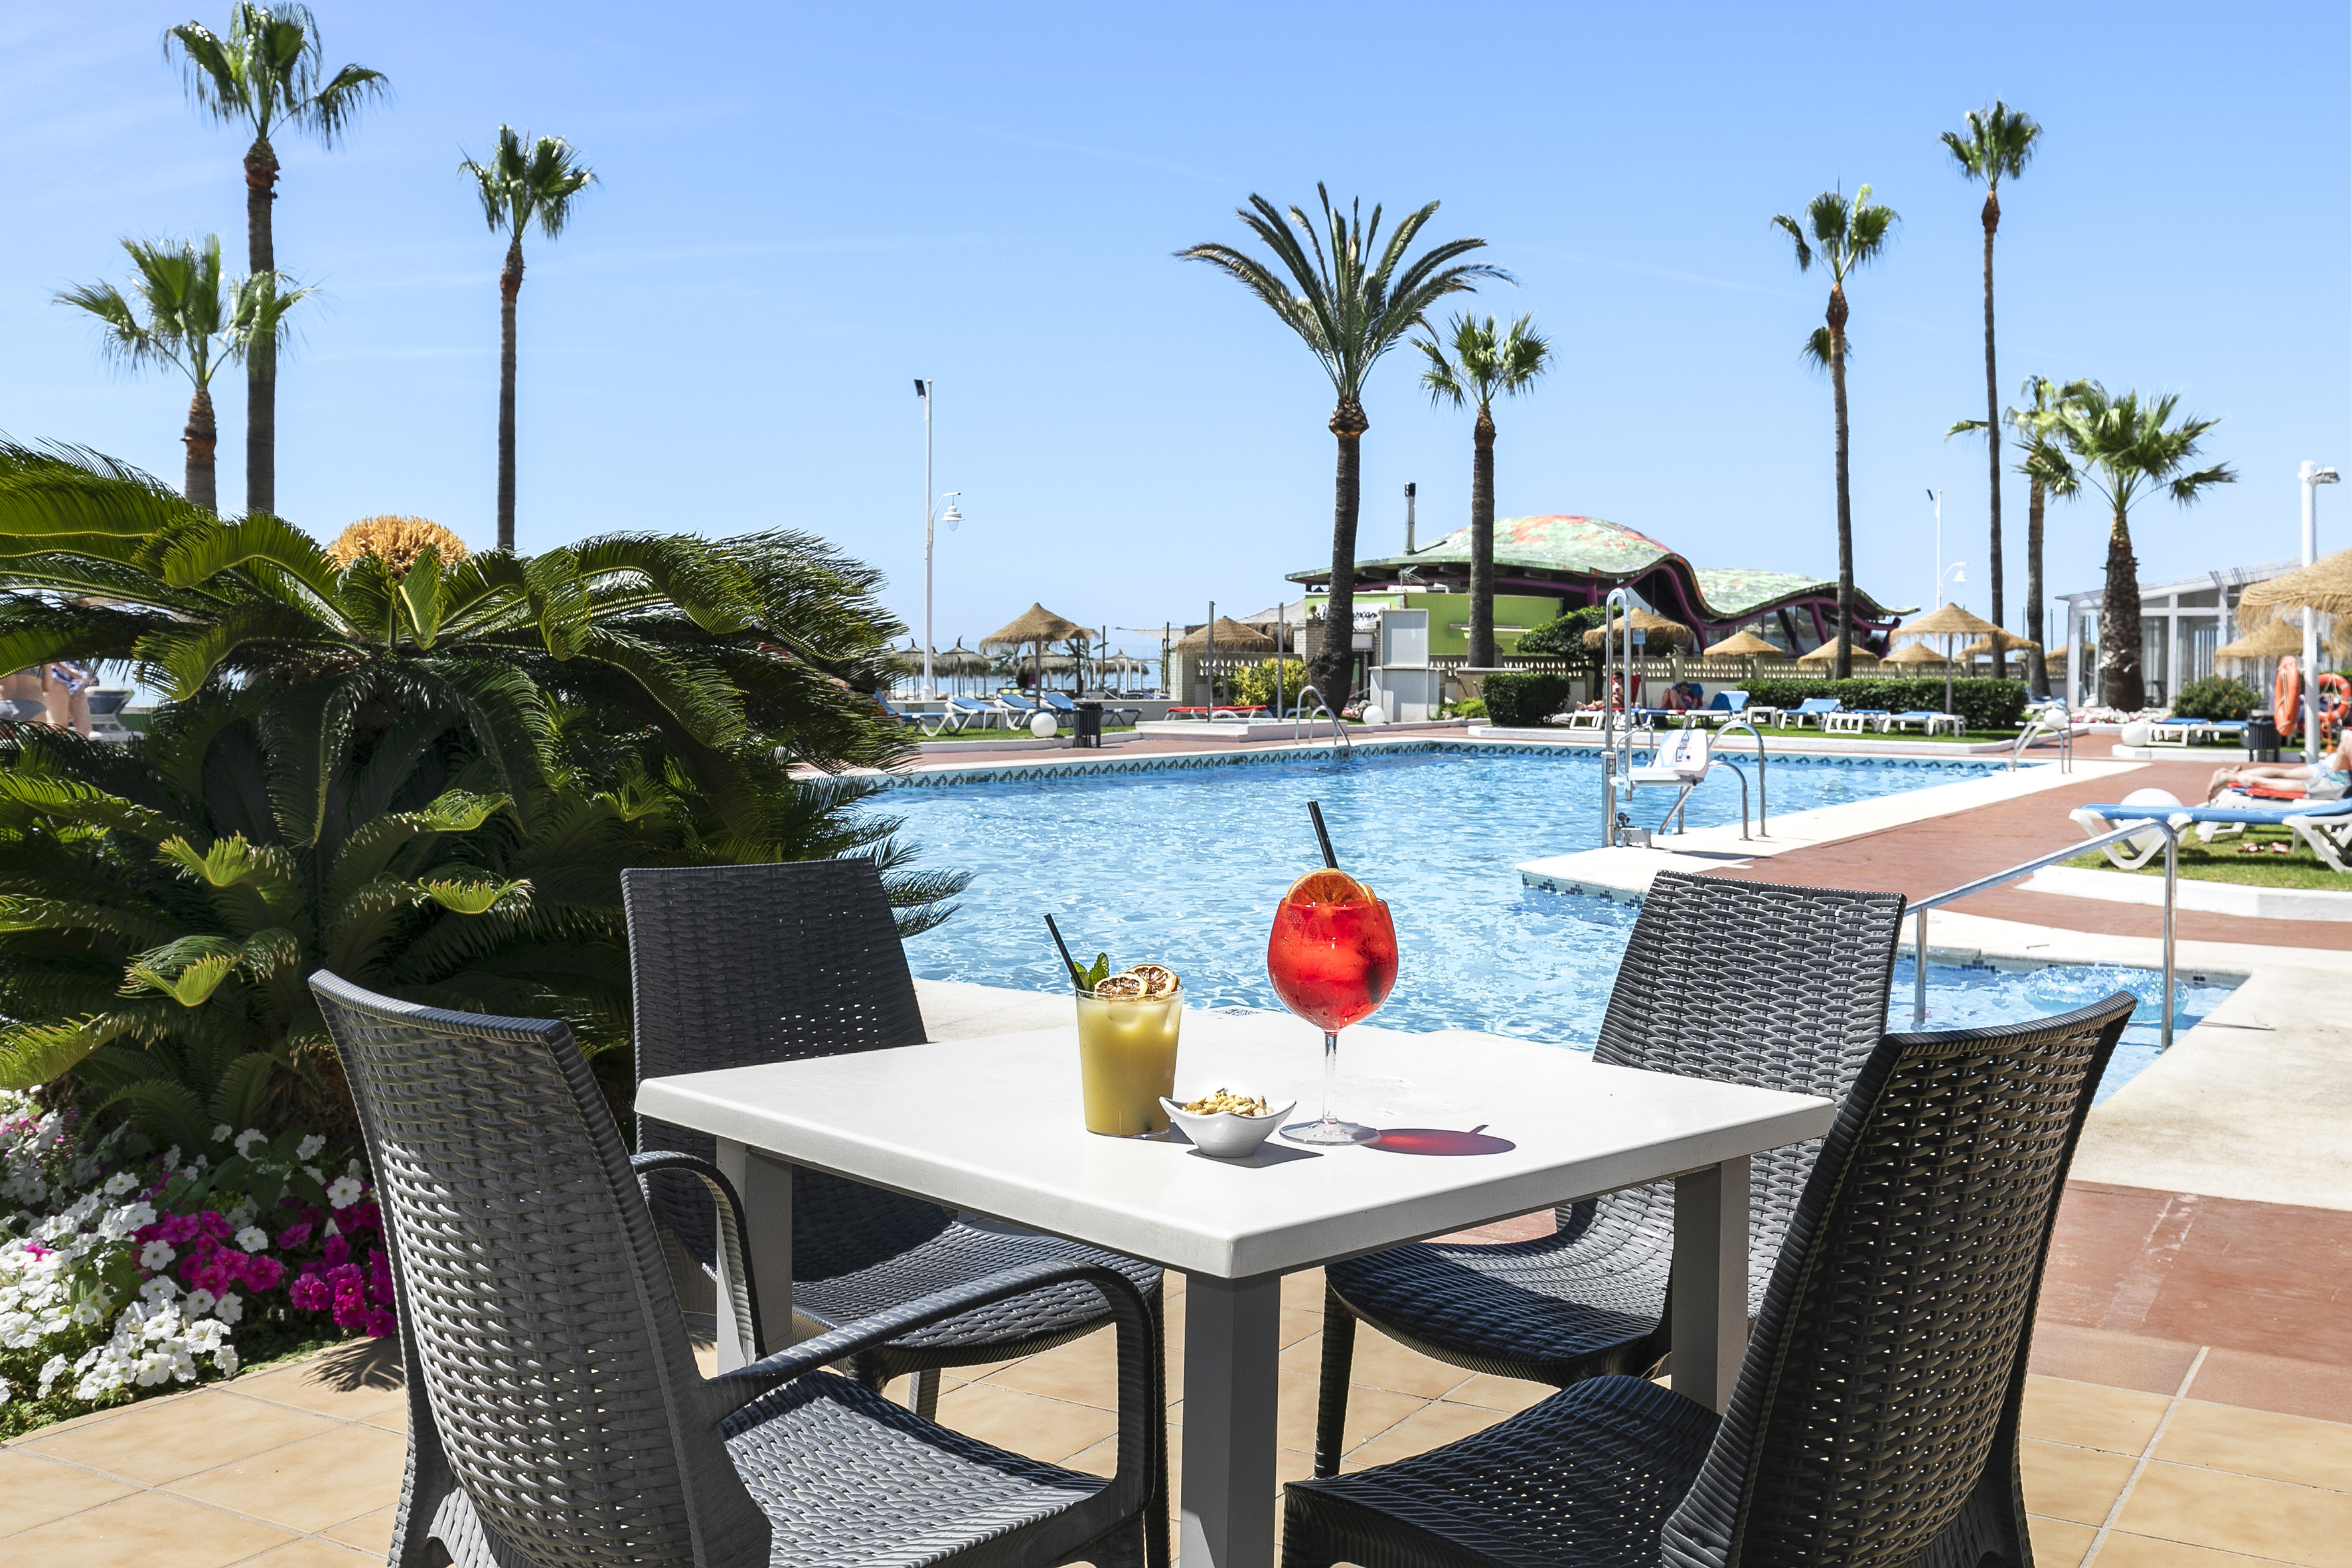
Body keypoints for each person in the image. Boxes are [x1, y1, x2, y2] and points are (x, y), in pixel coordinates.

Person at [2207, 732, 2352, 803]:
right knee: (2292, 780)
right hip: (2336, 777)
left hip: (2333, 769)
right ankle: (2242, 778)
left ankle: (2237, 776)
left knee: (2286, 774)